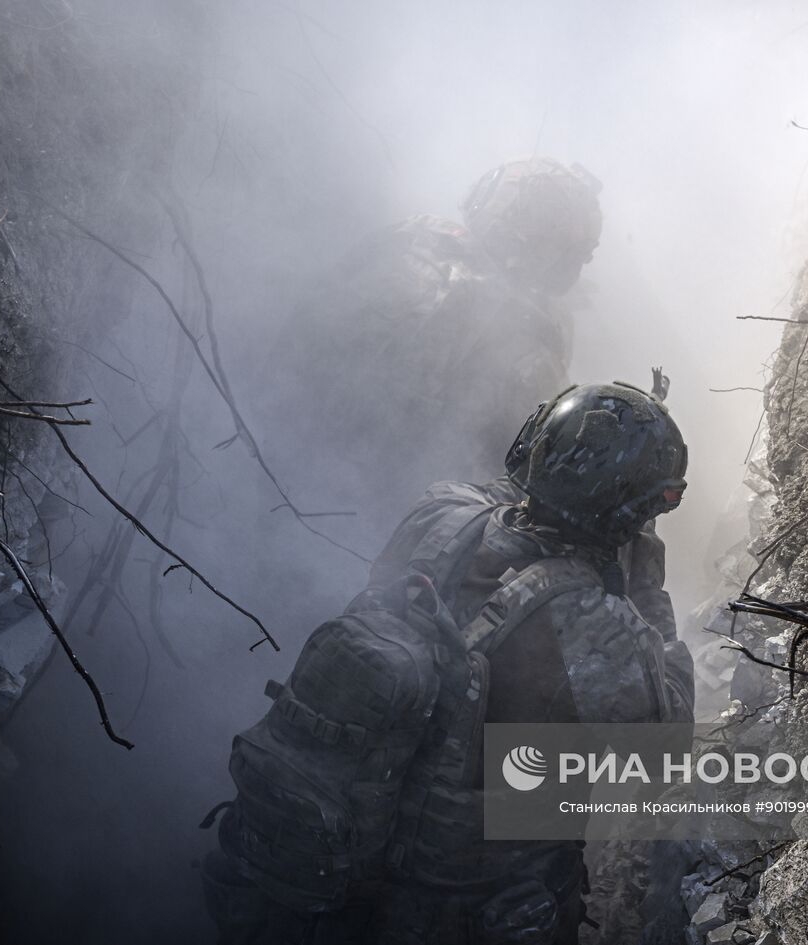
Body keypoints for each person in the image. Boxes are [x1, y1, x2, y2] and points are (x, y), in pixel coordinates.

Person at [203, 382, 694, 945]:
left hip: (332, 882)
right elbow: (667, 746)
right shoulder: (596, 627)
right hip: (464, 914)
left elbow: (515, 500)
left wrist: (588, 474)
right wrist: (646, 580)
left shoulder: (441, 512)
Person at [270, 158, 605, 535]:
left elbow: (309, 312)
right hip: (376, 516)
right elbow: (537, 468)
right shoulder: (525, 332)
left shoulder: (410, 234)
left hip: (277, 439)